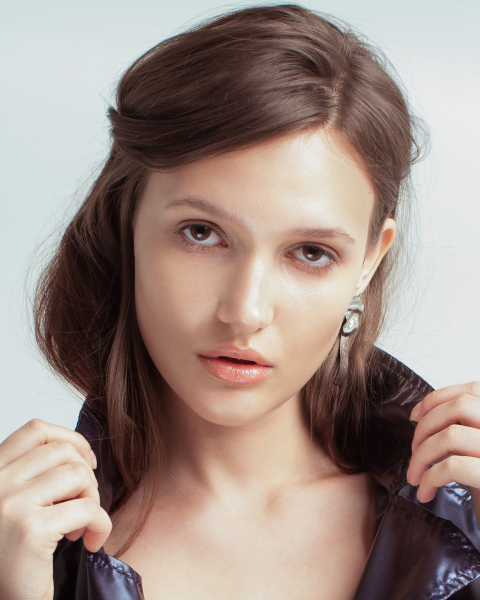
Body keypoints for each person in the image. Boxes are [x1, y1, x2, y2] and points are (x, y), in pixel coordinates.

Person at [1, 4, 480, 599]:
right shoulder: (31, 544)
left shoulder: (465, 525)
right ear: (128, 223)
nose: (245, 312)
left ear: (368, 261)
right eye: (202, 233)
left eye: (310, 252)